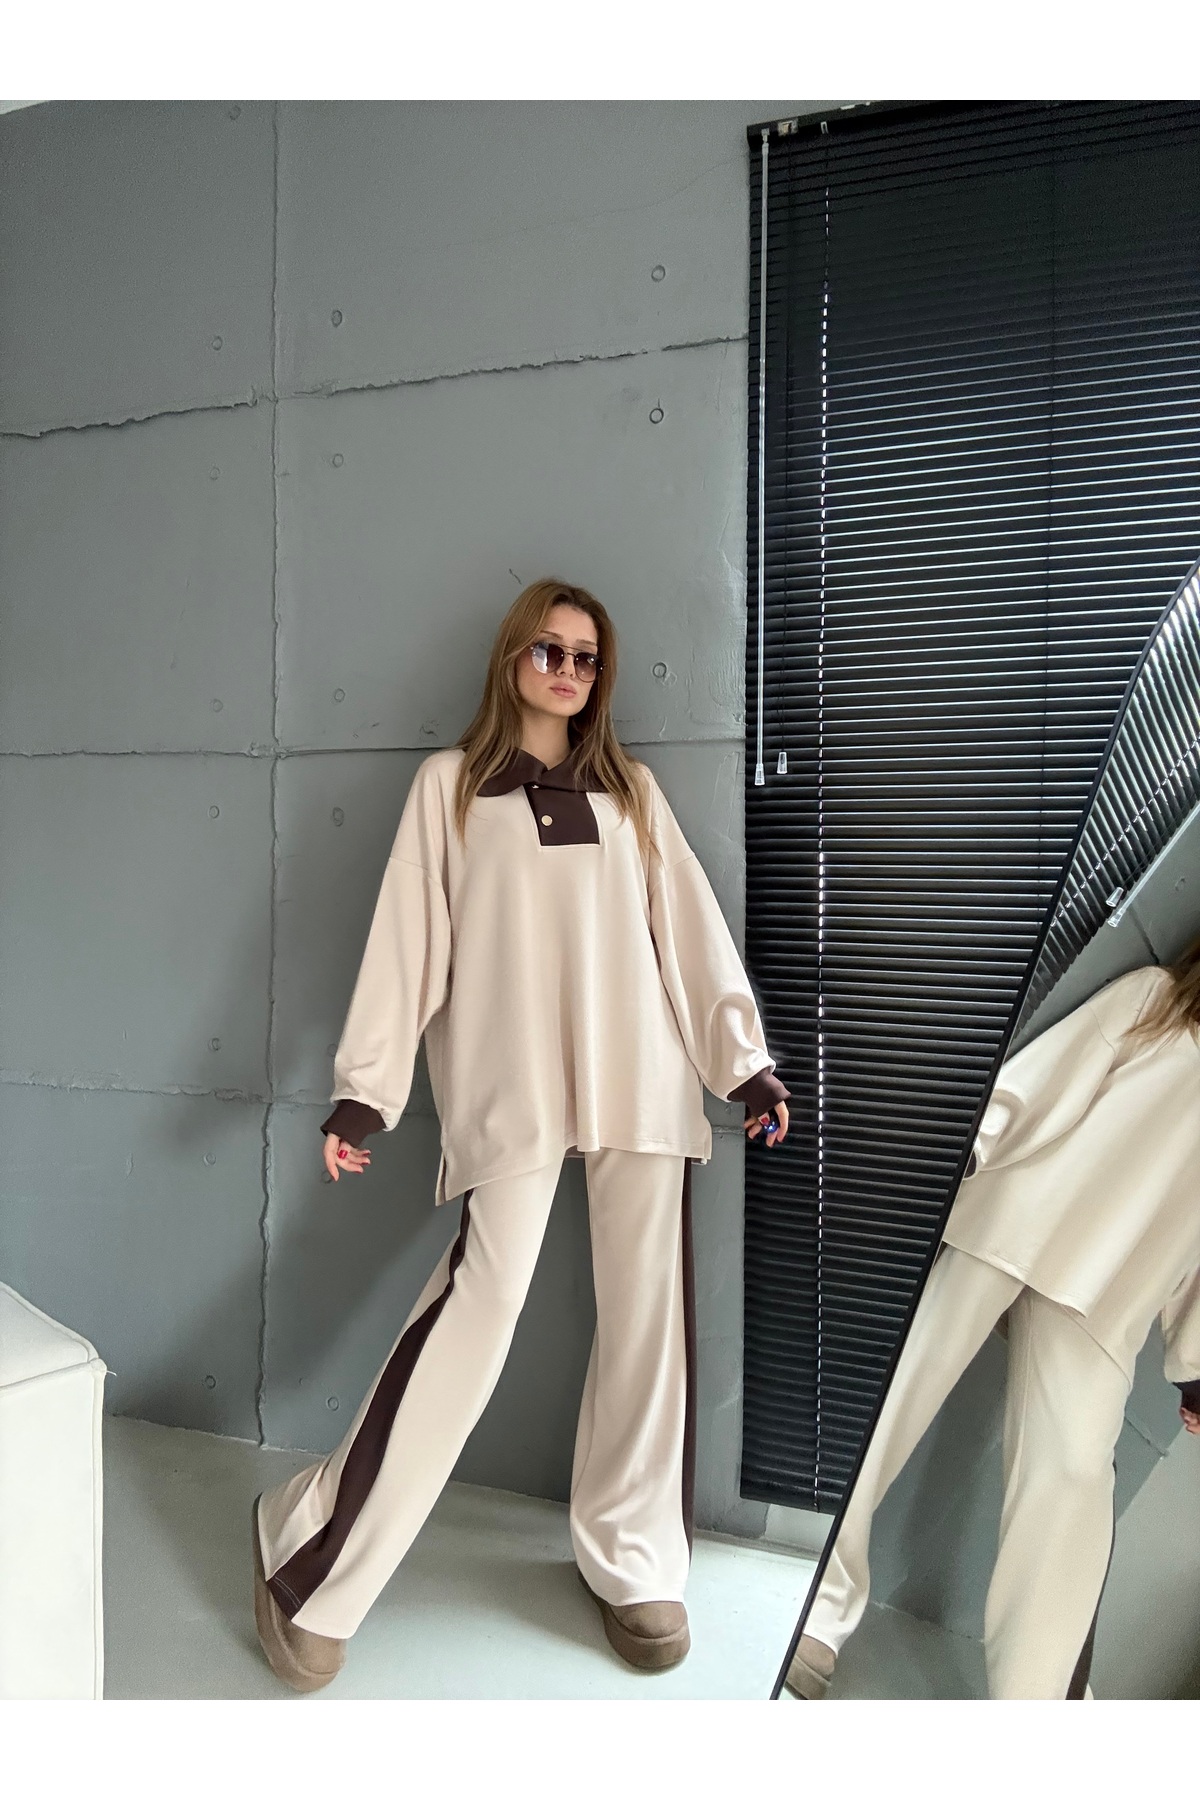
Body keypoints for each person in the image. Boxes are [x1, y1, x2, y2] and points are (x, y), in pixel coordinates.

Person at [250, 578, 792, 1692]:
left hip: (642, 1076)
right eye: (548, 650)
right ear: (511, 658)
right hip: (515, 1087)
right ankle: (312, 1549)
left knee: (648, 1325)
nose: (567, 671)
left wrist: (743, 1063)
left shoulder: (632, 792)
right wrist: (365, 1093)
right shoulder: (449, 789)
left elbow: (690, 932)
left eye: (586, 658)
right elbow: (407, 944)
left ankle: (633, 1558)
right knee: (477, 1316)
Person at [787, 944, 1200, 1702]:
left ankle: (1033, 1703)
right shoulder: (1157, 1003)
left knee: (1073, 1477)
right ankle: (816, 1603)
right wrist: (973, 1145)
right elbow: (1052, 1076)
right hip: (1021, 1214)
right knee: (895, 1400)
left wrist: (1197, 1366)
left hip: (1114, 1291)